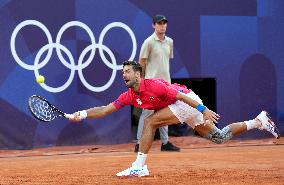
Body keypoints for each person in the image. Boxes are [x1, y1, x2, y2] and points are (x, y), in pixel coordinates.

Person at [69, 61, 280, 177]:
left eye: (127, 72)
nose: (123, 75)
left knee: (150, 121)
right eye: (122, 72)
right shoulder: (130, 95)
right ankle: (258, 121)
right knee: (219, 137)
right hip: (182, 105)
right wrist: (83, 114)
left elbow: (179, 96)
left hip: (186, 100)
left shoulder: (153, 85)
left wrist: (203, 109)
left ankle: (139, 166)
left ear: (138, 74)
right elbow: (106, 109)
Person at [135, 14, 180, 152]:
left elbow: (165, 62)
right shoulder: (148, 42)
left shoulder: (170, 42)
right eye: (159, 23)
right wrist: (140, 82)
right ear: (153, 25)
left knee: (164, 114)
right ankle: (139, 143)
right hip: (150, 84)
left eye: (164, 23)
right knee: (147, 114)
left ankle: (165, 143)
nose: (162, 26)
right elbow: (141, 62)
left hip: (166, 85)